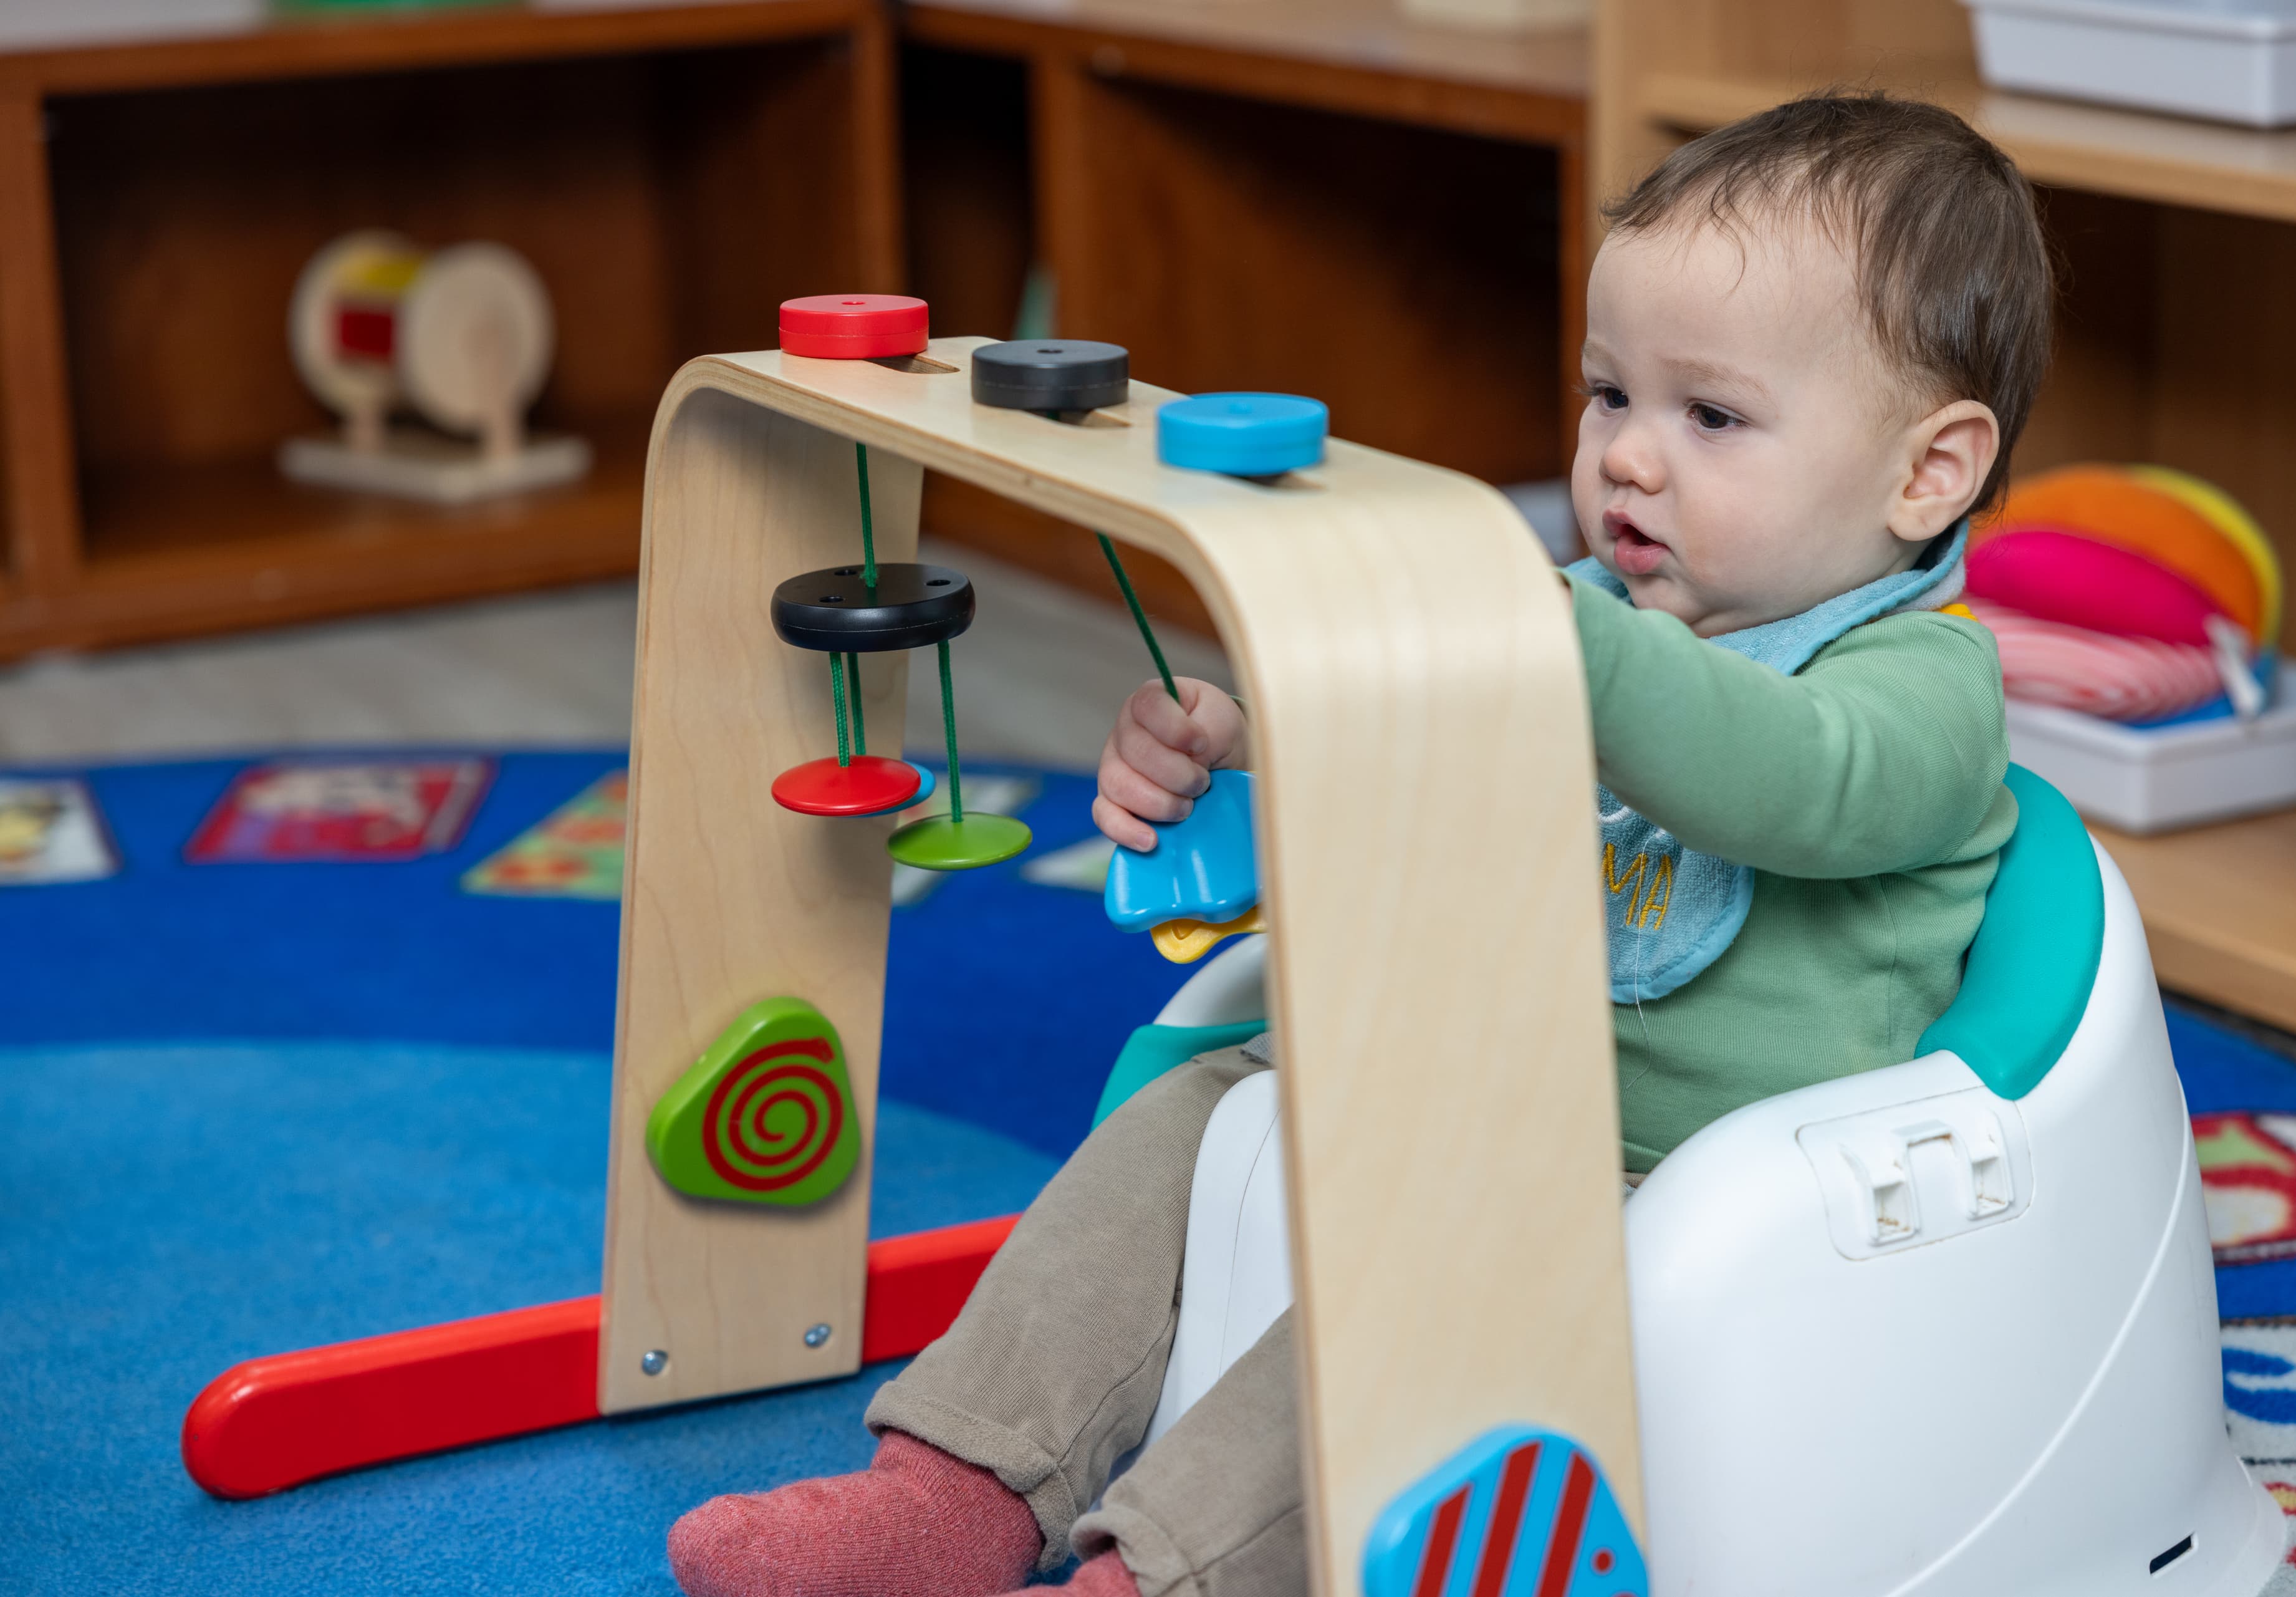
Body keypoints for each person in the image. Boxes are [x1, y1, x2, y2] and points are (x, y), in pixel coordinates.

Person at [668, 88, 2052, 1597]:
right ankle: (950, 1491)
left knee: (1445, 1303)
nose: (1629, 461)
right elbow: (1410, 786)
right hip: (1478, 1093)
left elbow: (1787, 780)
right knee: (1194, 1117)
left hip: (1692, 1195)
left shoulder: (1927, 687)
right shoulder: (1588, 618)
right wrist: (1239, 756)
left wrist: (1553, 637)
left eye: (1710, 417)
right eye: (1608, 397)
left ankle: (1159, 1575)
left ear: (1929, 472)